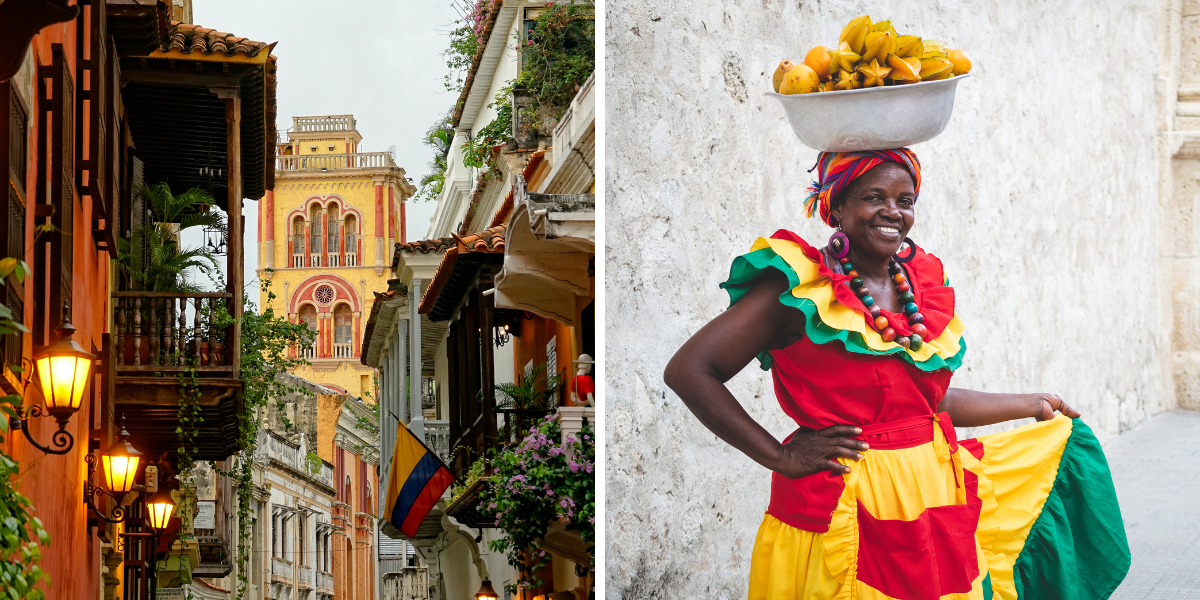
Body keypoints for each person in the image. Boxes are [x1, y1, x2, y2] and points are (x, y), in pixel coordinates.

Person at [664, 149, 1130, 599]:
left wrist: (1029, 403)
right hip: (841, 506)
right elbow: (690, 370)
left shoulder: (920, 288)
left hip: (929, 500)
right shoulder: (798, 288)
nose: (892, 211)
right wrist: (779, 457)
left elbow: (929, 405)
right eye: (872, 197)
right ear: (836, 205)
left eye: (904, 201)